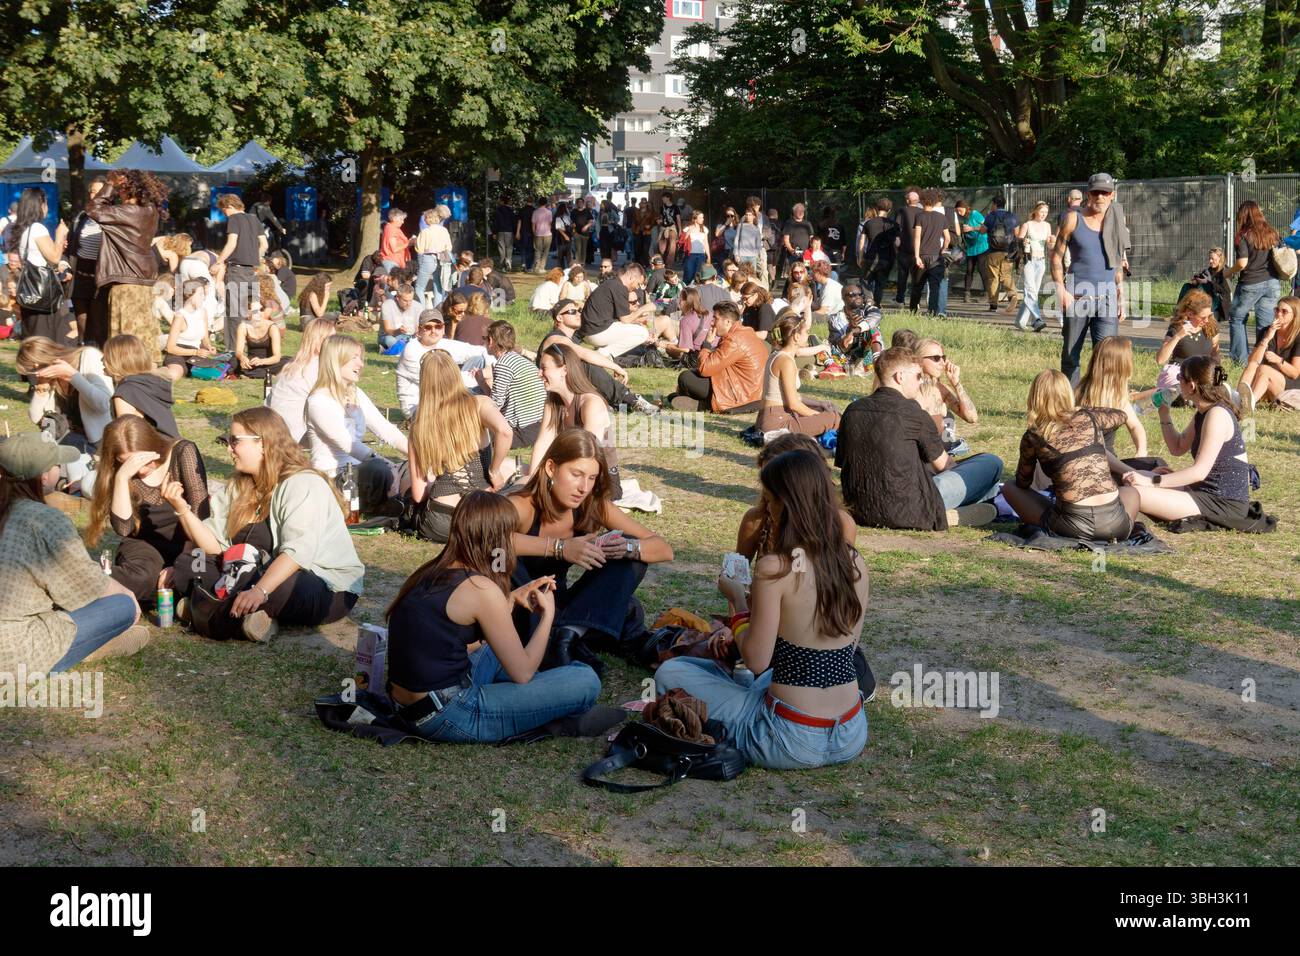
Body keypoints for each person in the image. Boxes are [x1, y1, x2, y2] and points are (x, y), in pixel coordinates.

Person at [657, 448, 868, 770]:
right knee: (731, 675)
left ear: (786, 505)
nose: (767, 509)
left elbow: (756, 660)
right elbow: (845, 649)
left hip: (788, 737)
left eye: (769, 501)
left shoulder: (775, 568)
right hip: (851, 732)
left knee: (670, 673)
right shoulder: (854, 562)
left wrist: (738, 602)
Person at [385, 491, 600, 742]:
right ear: (498, 539)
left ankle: (541, 698)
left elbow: (447, 642)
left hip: (408, 706)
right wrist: (547, 616)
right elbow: (522, 674)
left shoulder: (431, 571)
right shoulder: (481, 589)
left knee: (496, 650)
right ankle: (547, 702)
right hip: (449, 713)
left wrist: (511, 599)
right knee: (585, 679)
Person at [167, 407, 363, 642]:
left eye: (235, 441)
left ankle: (204, 610)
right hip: (247, 573)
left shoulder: (302, 483)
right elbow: (213, 545)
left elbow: (297, 554)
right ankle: (249, 618)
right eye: (228, 441)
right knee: (191, 561)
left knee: (279, 585)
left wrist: (260, 590)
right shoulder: (240, 485)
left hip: (318, 582)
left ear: (262, 443)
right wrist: (182, 509)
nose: (229, 449)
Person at [510, 428, 672, 670]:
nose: (583, 487)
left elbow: (664, 549)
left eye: (592, 478)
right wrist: (560, 548)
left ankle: (569, 634)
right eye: (576, 474)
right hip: (520, 606)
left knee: (631, 558)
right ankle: (569, 636)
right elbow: (483, 540)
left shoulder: (592, 505)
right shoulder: (522, 505)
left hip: (561, 606)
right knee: (625, 609)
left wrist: (627, 547)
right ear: (551, 468)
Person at [0, 433, 148, 674]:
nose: (60, 469)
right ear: (44, 476)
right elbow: (89, 583)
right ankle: (86, 648)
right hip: (16, 651)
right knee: (122, 606)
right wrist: (128, 594)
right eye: (56, 465)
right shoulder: (45, 520)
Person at [836, 347, 1000, 530]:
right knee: (991, 463)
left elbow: (843, 463)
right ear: (900, 377)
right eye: (917, 376)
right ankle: (947, 510)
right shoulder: (914, 413)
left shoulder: (852, 410)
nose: (921, 381)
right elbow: (946, 466)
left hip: (859, 508)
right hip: (911, 510)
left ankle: (966, 505)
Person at [86, 416, 210, 609]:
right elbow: (124, 528)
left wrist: (181, 562)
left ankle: (172, 595)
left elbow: (201, 514)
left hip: (190, 542)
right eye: (127, 463)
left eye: (143, 460)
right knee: (142, 578)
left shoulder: (182, 451)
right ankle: (88, 580)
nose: (141, 470)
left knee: (199, 574)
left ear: (153, 446)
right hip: (145, 546)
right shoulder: (121, 472)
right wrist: (122, 477)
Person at [1117, 356, 1254, 529]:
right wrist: (1164, 414)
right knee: (1134, 477)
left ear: (1191, 386)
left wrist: (1153, 481)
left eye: (1180, 377)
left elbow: (1199, 472)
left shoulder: (1217, 415)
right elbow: (1178, 447)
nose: (1177, 382)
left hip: (1221, 503)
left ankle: (1113, 530)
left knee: (1132, 492)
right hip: (1203, 491)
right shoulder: (1204, 412)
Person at [1001, 370, 1139, 542]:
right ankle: (1119, 528)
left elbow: (1022, 482)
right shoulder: (1090, 417)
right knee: (1131, 492)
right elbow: (1121, 415)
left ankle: (1058, 523)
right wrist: (1082, 409)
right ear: (1068, 393)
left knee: (1009, 487)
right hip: (1116, 525)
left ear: (1034, 397)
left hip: (1072, 527)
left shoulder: (1033, 436)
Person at [404, 351, 513, 542]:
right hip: (480, 515)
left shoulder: (419, 424)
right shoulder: (479, 404)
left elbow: (419, 494)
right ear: (455, 374)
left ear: (425, 382)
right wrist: (494, 471)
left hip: (440, 521)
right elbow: (505, 431)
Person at [305, 335, 409, 516]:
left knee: (410, 467)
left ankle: (401, 502)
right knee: (379, 470)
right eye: (354, 358)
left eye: (360, 358)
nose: (360, 364)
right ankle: (387, 504)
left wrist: (417, 455)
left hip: (361, 470)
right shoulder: (318, 401)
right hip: (334, 477)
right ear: (335, 360)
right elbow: (349, 446)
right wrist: (389, 465)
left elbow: (385, 428)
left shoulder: (355, 392)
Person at [1052, 172, 1130, 386]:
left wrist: (1121, 294)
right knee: (1071, 357)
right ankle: (1070, 401)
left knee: (1107, 358)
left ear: (1112, 195)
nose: (1100, 197)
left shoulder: (1117, 219)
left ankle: (1100, 402)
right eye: (1095, 192)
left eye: (1105, 192)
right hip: (1077, 296)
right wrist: (1060, 289)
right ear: (1088, 194)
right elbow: (1056, 257)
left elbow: (1116, 262)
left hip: (1107, 298)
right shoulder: (1073, 218)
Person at [16, 337, 113, 492]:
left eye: (33, 371)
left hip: (96, 445)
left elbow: (103, 404)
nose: (35, 375)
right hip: (65, 441)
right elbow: (36, 417)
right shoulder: (50, 378)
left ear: (38, 363)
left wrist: (72, 376)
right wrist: (41, 388)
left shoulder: (88, 357)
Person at [533, 345, 624, 500]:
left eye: (544, 368)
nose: (539, 374)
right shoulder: (552, 402)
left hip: (599, 480)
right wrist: (532, 480)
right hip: (568, 473)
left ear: (564, 370)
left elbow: (587, 456)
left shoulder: (590, 403)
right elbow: (542, 443)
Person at [669, 301, 767, 415]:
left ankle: (706, 405)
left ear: (727, 322)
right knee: (692, 374)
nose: (712, 323)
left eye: (715, 318)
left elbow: (705, 369)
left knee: (685, 378)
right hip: (750, 391)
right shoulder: (745, 333)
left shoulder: (733, 340)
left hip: (739, 394)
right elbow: (714, 362)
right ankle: (700, 401)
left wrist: (707, 344)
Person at [756, 312, 840, 438]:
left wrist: (820, 404)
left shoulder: (778, 355)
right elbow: (793, 404)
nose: (808, 335)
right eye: (806, 332)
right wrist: (818, 416)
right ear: (796, 336)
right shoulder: (785, 361)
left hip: (771, 418)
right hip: (776, 423)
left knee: (825, 410)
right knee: (834, 418)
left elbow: (793, 396)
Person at [1076, 336, 1150, 470]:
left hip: (1111, 463)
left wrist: (1141, 450)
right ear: (1120, 366)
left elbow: (1135, 426)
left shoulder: (1118, 396)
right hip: (1087, 465)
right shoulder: (1080, 395)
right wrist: (1131, 471)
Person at [396, 310, 490, 414]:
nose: (433, 331)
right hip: (421, 409)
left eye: (438, 326)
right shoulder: (411, 350)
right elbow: (441, 382)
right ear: (419, 330)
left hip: (445, 397)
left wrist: (490, 370)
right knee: (483, 394)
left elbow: (482, 351)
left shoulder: (442, 343)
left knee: (479, 360)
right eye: (428, 327)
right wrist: (481, 376)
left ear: (443, 328)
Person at [13, 186, 73, 344]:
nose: (47, 207)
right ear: (40, 205)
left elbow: (42, 258)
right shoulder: (38, 228)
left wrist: (58, 247)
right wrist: (60, 235)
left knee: (33, 341)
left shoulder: (25, 229)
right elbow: (54, 257)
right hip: (43, 297)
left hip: (30, 294)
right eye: (45, 203)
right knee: (45, 342)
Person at [1226, 199, 1283, 365]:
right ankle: (1263, 360)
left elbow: (1242, 263)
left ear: (1243, 216)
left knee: (1237, 318)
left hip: (1250, 283)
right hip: (1272, 282)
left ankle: (1240, 360)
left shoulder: (1243, 235)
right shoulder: (1272, 232)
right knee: (1265, 324)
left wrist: (1227, 272)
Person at [268, 316, 337, 443]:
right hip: (297, 436)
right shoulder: (317, 367)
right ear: (319, 341)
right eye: (332, 339)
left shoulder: (293, 365)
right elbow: (332, 407)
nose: (336, 345)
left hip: (274, 431)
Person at [213, 192, 267, 352]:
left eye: (224, 211)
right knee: (252, 312)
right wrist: (254, 257)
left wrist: (218, 262)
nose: (224, 215)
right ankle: (252, 347)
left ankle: (232, 351)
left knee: (234, 313)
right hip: (252, 271)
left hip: (237, 271)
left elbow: (231, 243)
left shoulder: (234, 219)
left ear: (229, 206)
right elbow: (264, 244)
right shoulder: (254, 219)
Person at [480, 319, 546, 447]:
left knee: (477, 434)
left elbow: (494, 405)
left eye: (484, 338)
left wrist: (481, 382)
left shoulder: (503, 364)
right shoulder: (519, 360)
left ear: (491, 341)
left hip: (522, 430)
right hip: (538, 425)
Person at [912, 337, 981, 455]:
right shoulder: (909, 389)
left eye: (943, 358)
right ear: (918, 360)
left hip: (944, 455)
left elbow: (972, 418)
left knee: (990, 460)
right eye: (936, 358)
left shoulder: (941, 389)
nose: (942, 363)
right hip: (924, 458)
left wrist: (956, 383)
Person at [103, 334, 180, 438]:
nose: (102, 360)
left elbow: (127, 436)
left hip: (152, 447)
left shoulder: (126, 391)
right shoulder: (150, 382)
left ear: (119, 361)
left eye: (106, 356)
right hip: (172, 444)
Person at [578, 261, 657, 358]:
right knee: (643, 333)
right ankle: (602, 355)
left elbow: (621, 319)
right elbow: (625, 320)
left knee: (639, 329)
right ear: (631, 278)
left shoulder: (613, 283)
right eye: (638, 284)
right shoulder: (619, 287)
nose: (637, 287)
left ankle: (604, 353)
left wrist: (638, 321)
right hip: (595, 332)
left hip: (590, 330)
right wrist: (643, 309)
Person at [1236, 296, 1300, 412]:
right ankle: (1238, 400)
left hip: (1289, 390)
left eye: (1284, 311)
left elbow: (1295, 373)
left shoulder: (1298, 337)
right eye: (1277, 310)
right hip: (1266, 384)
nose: (1279, 314)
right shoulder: (1267, 331)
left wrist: (1279, 361)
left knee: (1264, 369)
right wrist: (1267, 338)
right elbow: (1252, 361)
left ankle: (1249, 404)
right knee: (1253, 365)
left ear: (1294, 315)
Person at [69, 178, 108, 347]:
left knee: (98, 319)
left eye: (100, 192)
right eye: (93, 191)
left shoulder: (112, 216)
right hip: (80, 272)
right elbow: (71, 244)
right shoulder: (82, 217)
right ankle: (83, 348)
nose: (96, 195)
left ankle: (100, 352)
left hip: (101, 273)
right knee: (81, 317)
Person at [162, 278, 218, 378]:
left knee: (217, 373)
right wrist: (195, 352)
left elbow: (205, 338)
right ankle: (150, 374)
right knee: (174, 375)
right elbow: (170, 348)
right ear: (189, 295)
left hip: (196, 356)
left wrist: (209, 346)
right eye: (200, 294)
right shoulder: (180, 317)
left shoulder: (203, 312)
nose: (203, 297)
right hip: (178, 354)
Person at [1155, 289, 1221, 368]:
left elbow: (1215, 354)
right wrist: (1177, 336)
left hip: (1203, 373)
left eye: (1209, 315)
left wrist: (1215, 369)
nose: (1207, 320)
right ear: (1190, 314)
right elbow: (1160, 360)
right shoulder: (1177, 328)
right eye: (1203, 317)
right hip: (1181, 372)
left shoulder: (1210, 326)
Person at [1014, 201, 1052, 332]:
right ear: (1035, 211)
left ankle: (1020, 321)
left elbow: (1049, 245)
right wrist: (1023, 241)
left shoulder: (1047, 226)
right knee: (1030, 291)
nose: (1044, 214)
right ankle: (1037, 319)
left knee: (1033, 293)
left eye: (1046, 212)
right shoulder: (1027, 225)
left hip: (1041, 261)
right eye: (1042, 212)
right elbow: (1018, 241)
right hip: (1028, 260)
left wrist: (1052, 241)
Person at [980, 195, 1020, 311]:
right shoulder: (1012, 216)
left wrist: (986, 222)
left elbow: (982, 231)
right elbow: (1017, 234)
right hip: (1008, 252)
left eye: (992, 204)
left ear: (995, 204)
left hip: (993, 251)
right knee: (1006, 275)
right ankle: (1012, 295)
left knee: (993, 277)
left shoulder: (990, 216)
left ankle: (993, 304)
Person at [234, 300, 286, 380]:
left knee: (287, 362)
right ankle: (266, 374)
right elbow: (238, 351)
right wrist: (242, 358)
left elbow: (277, 357)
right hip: (251, 362)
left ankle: (252, 374)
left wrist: (262, 361)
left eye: (261, 310)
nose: (258, 313)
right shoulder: (243, 326)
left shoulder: (272, 327)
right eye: (255, 311)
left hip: (269, 362)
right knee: (234, 361)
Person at [859, 198, 896, 307]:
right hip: (886, 258)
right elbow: (897, 242)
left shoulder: (868, 223)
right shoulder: (893, 225)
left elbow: (862, 242)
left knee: (865, 280)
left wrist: (860, 257)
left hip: (870, 256)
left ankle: (869, 299)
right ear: (889, 210)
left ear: (877, 208)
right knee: (880, 283)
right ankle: (876, 304)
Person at [413, 206, 453, 305]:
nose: (424, 220)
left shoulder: (425, 232)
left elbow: (419, 249)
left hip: (428, 259)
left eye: (425, 218)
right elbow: (449, 247)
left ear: (429, 218)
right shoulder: (444, 230)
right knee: (438, 286)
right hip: (442, 259)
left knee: (419, 288)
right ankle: (438, 309)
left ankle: (421, 309)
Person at [953, 198, 987, 303]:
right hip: (971, 248)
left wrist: (972, 228)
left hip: (981, 246)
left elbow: (985, 226)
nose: (959, 213)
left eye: (960, 210)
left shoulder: (975, 214)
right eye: (957, 211)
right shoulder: (964, 219)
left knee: (981, 269)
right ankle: (966, 294)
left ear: (965, 207)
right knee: (969, 270)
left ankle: (987, 293)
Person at [893, 188, 923, 304]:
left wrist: (896, 244)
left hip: (904, 249)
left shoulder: (901, 211)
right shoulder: (922, 212)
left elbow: (896, 228)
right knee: (917, 277)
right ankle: (915, 301)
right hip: (919, 250)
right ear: (918, 200)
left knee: (902, 275)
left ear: (907, 200)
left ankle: (900, 299)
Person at [378, 281, 421, 350]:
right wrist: (399, 331)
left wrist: (417, 334)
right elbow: (387, 330)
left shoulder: (418, 306)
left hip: (410, 337)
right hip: (390, 336)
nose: (408, 304)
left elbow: (417, 329)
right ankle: (407, 348)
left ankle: (402, 348)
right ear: (397, 298)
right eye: (405, 301)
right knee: (389, 340)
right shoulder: (387, 305)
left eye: (410, 300)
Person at [780, 203, 814, 280]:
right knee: (793, 274)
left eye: (802, 211)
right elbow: (786, 239)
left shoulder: (807, 224)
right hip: (793, 254)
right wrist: (791, 250)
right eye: (799, 211)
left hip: (806, 254)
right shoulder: (789, 223)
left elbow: (811, 238)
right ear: (794, 212)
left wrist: (811, 250)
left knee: (806, 273)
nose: (801, 213)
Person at [681, 210, 710, 285]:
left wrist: (709, 256)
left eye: (703, 217)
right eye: (700, 218)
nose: (702, 219)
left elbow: (706, 243)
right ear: (695, 219)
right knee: (688, 275)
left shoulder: (704, 229)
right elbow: (682, 241)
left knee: (699, 275)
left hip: (701, 255)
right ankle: (686, 289)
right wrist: (689, 232)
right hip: (690, 255)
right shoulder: (688, 228)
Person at [379, 208, 412, 274]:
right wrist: (408, 243)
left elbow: (401, 245)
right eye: (401, 219)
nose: (403, 222)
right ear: (394, 219)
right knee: (392, 280)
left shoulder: (393, 228)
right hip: (392, 261)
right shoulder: (392, 229)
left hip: (397, 261)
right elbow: (394, 249)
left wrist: (410, 243)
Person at [657, 192, 681, 269]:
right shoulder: (662, 207)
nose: (662, 199)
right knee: (661, 247)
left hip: (672, 227)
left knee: (672, 246)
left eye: (663, 198)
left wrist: (680, 230)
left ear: (668, 198)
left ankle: (669, 264)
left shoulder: (675, 207)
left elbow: (678, 219)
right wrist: (659, 221)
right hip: (663, 228)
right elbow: (661, 217)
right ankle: (662, 262)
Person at [531, 196, 553, 275]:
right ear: (546, 203)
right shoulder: (549, 212)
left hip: (538, 234)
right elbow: (550, 224)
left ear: (539, 203)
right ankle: (542, 268)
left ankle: (536, 267)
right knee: (545, 252)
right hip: (547, 234)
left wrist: (534, 233)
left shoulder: (535, 212)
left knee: (537, 251)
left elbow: (533, 224)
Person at [493, 199, 517, 271]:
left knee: (501, 248)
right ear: (508, 202)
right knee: (509, 247)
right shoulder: (511, 211)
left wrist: (494, 232)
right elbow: (514, 222)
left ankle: (502, 263)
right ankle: (508, 260)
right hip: (509, 231)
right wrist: (515, 232)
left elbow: (495, 222)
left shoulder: (498, 210)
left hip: (500, 231)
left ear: (502, 202)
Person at [552, 201, 573, 271]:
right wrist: (565, 236)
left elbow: (569, 224)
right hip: (561, 237)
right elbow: (558, 228)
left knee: (567, 254)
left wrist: (572, 226)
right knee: (562, 254)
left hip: (566, 236)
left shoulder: (566, 216)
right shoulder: (558, 217)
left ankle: (567, 268)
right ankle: (561, 269)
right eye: (565, 207)